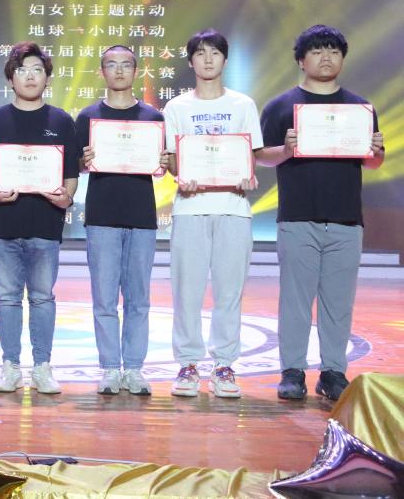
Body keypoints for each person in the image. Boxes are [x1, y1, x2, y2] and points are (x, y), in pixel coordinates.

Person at [257, 25, 384, 401]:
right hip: (298, 217)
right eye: (316, 51)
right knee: (294, 301)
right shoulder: (280, 107)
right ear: (301, 60)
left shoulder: (360, 109)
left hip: (346, 218)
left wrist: (376, 152)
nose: (326, 57)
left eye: (333, 51)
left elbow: (373, 162)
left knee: (339, 302)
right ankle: (292, 371)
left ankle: (333, 372)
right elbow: (261, 156)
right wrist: (286, 150)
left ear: (342, 59)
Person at [0, 42, 79, 395]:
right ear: (10, 78)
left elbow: (70, 176)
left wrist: (66, 197)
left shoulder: (61, 121)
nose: (30, 76)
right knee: (7, 297)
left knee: (42, 297)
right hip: (3, 224)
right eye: (22, 70)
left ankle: (43, 367)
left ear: (47, 77)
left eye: (37, 70)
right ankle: (10, 366)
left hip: (45, 225)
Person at [164, 29, 262, 398]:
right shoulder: (176, 107)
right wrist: (181, 175)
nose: (208, 59)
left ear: (225, 59)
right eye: (201, 53)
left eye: (215, 53)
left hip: (234, 209)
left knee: (229, 292)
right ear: (190, 61)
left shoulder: (243, 105)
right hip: (190, 208)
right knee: (186, 291)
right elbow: (174, 161)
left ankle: (224, 365)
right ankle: (188, 364)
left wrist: (247, 176)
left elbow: (248, 156)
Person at [75, 46, 167, 396]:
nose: (118, 70)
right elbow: (76, 166)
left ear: (135, 71)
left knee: (139, 298)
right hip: (102, 216)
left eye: (125, 64)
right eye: (111, 64)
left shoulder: (153, 117)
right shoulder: (88, 117)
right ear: (102, 72)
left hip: (141, 216)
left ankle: (135, 368)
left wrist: (163, 162)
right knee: (104, 298)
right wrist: (83, 160)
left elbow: (161, 167)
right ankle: (111, 368)